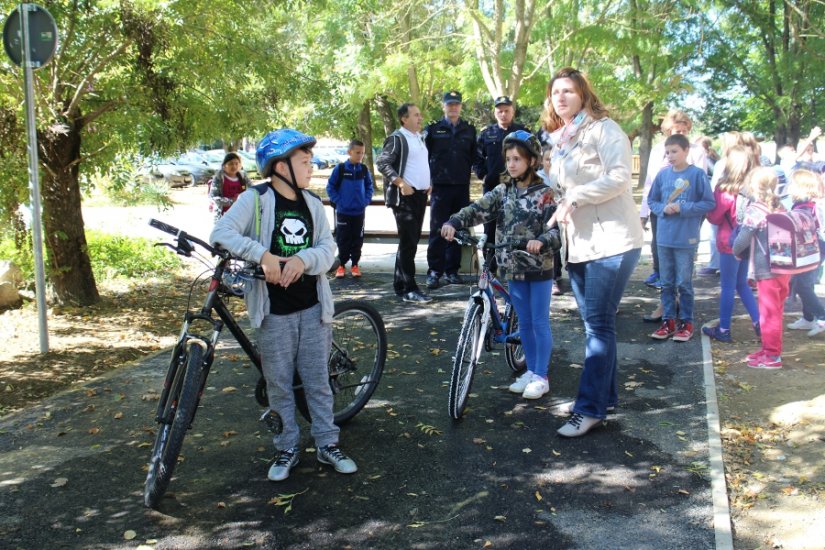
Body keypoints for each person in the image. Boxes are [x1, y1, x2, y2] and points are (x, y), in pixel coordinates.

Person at [210, 129, 357, 481]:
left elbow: (328, 248)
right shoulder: (255, 200)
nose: (310, 168)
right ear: (280, 166)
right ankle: (286, 446)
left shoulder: (312, 204)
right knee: (278, 382)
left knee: (317, 380)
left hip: (312, 307)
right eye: (304, 162)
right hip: (273, 312)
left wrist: (302, 260)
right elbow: (222, 233)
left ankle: (326, 443)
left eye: (309, 162)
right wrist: (261, 254)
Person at [543, 67, 644, 437]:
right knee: (596, 325)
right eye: (556, 92)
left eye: (569, 91)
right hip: (581, 245)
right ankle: (604, 398)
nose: (561, 97)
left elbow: (620, 177)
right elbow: (564, 185)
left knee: (598, 326)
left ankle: (590, 409)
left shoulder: (604, 129)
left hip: (612, 242)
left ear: (584, 94)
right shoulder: (564, 137)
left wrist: (574, 196)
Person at [441, 131, 560, 400]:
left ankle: (542, 375)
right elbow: (477, 209)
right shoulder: (503, 191)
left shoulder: (545, 193)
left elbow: (557, 232)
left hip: (539, 267)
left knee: (539, 321)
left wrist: (541, 241)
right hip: (512, 267)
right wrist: (454, 222)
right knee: (526, 322)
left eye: (517, 158)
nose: (512, 164)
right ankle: (531, 370)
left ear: (532, 161)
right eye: (508, 159)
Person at [647, 133, 715, 342]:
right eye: (667, 152)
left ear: (686, 151)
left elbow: (708, 203)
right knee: (666, 283)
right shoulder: (662, 175)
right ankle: (668, 321)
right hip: (664, 238)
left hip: (686, 239)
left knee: (684, 283)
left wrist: (684, 207)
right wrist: (663, 208)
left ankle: (686, 322)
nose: (670, 156)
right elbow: (652, 200)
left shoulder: (697, 175)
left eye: (674, 151)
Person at [639, 110, 708, 290]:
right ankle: (663, 284)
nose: (681, 135)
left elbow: (700, 185)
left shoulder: (696, 151)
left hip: (686, 210)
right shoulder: (658, 150)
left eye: (684, 131)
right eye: (677, 131)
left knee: (685, 252)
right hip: (661, 207)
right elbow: (650, 182)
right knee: (659, 246)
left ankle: (683, 288)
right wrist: (644, 213)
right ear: (669, 131)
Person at [732, 167, 791, 369]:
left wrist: (735, 250)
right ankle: (768, 349)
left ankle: (773, 355)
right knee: (776, 310)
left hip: (766, 268)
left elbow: (743, 238)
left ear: (753, 186)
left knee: (768, 313)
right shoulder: (779, 205)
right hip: (782, 266)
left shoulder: (757, 208)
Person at [702, 145, 761, 342]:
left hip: (728, 242)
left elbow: (715, 217)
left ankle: (724, 329)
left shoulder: (725, 189)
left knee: (727, 286)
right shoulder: (752, 188)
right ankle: (758, 321)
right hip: (747, 240)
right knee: (742, 284)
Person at [376, 103, 432, 303]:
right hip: (405, 198)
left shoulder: (419, 137)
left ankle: (401, 285)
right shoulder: (397, 138)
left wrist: (429, 182)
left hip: (419, 195)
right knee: (409, 243)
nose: (420, 118)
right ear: (404, 119)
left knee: (411, 242)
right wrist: (401, 183)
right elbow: (382, 163)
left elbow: (420, 164)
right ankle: (410, 288)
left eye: (420, 114)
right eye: (416, 115)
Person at [424, 91, 477, 289]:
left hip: (461, 186)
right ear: (444, 106)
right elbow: (424, 157)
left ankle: (452, 270)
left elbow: (475, 158)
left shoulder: (469, 130)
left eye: (456, 104)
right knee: (438, 230)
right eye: (450, 104)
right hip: (440, 187)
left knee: (458, 229)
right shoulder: (433, 130)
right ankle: (435, 272)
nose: (453, 107)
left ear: (460, 106)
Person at [474, 96, 527, 257]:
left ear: (513, 112)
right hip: (492, 187)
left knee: (518, 226)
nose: (503, 114)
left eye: (507, 111)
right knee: (489, 228)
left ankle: (515, 263)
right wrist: (483, 175)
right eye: (500, 111)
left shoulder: (522, 132)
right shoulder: (487, 133)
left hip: (517, 187)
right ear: (495, 113)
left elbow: (533, 156)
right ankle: (490, 270)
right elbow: (476, 157)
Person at [784, 169, 825, 336]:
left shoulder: (806, 208)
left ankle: (822, 316)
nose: (788, 188)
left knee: (802, 285)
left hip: (810, 253)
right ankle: (808, 318)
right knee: (803, 284)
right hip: (811, 252)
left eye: (792, 184)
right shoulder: (808, 205)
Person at [326, 139, 374, 279]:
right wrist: (340, 202)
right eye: (357, 152)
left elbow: (369, 187)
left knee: (357, 239)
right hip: (343, 213)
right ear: (349, 152)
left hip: (359, 212)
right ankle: (341, 265)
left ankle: (355, 265)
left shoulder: (364, 170)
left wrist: (365, 201)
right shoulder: (340, 169)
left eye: (363, 153)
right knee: (343, 239)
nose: (360, 155)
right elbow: (330, 187)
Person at [537, 147, 564, 295]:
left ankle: (558, 274)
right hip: (545, 217)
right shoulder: (537, 178)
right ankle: (552, 278)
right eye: (547, 159)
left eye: (553, 159)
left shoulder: (563, 176)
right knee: (549, 243)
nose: (550, 163)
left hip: (564, 213)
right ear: (542, 161)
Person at [209, 152, 251, 221]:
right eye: (231, 164)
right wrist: (231, 201)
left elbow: (253, 190)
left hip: (241, 216)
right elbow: (213, 198)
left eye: (236, 163)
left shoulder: (243, 176)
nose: (234, 166)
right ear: (224, 165)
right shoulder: (219, 178)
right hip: (223, 218)